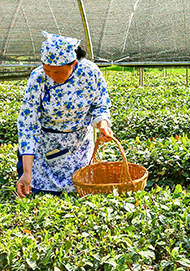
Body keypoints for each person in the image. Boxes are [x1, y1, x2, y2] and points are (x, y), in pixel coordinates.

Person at [15, 31, 115, 197]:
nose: (52, 76)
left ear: (73, 63)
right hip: (45, 149)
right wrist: (26, 172)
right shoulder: (38, 77)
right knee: (38, 195)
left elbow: (100, 104)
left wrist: (102, 124)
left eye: (58, 72)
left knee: (80, 193)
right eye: (47, 70)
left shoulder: (90, 72)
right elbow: (28, 123)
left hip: (79, 148)